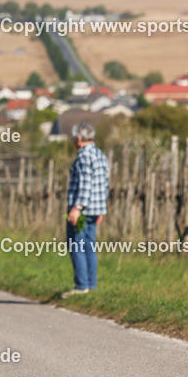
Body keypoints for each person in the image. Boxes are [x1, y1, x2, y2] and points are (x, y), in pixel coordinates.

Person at [62, 121, 110, 298]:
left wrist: (77, 208)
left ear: (79, 139)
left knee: (76, 245)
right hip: (95, 208)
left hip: (82, 209)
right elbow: (104, 184)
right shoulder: (100, 155)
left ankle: (82, 286)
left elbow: (85, 185)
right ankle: (91, 285)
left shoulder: (83, 157)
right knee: (89, 246)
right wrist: (101, 209)